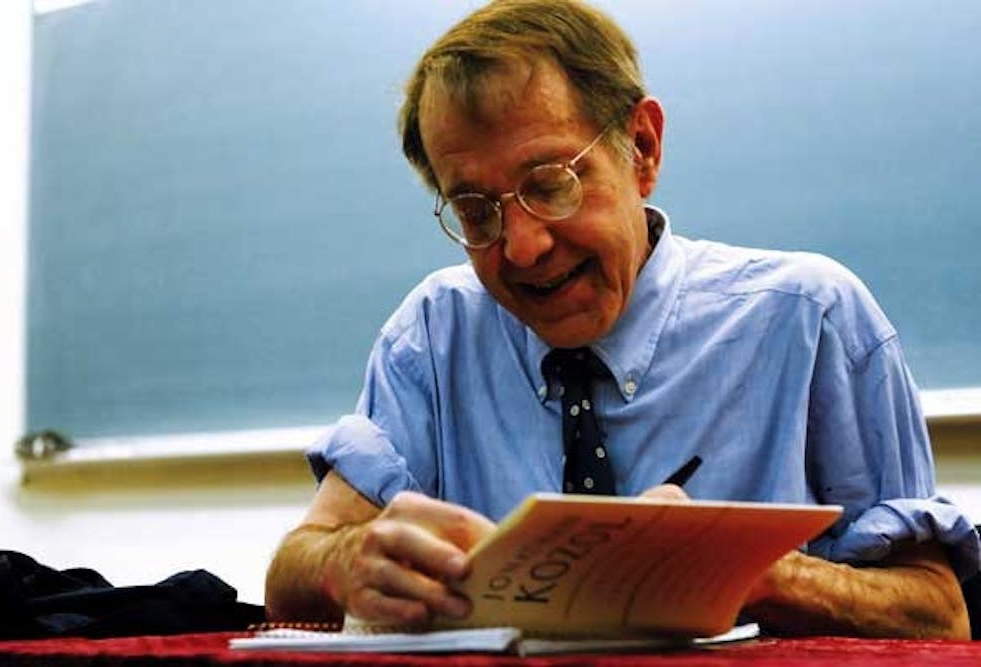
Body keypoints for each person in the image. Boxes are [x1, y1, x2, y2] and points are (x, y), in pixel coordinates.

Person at [265, 0, 978, 638]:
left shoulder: (809, 318)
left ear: (642, 149)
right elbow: (294, 569)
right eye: (476, 212)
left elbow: (937, 613)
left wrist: (754, 572)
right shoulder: (433, 333)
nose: (523, 246)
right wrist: (349, 560)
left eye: (550, 185)